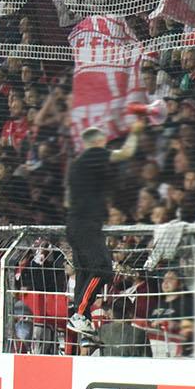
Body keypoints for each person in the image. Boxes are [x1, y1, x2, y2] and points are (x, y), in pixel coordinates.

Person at [65, 119, 143, 341]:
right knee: (103, 269)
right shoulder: (95, 154)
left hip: (73, 224)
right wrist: (135, 130)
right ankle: (80, 314)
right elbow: (126, 153)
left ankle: (82, 320)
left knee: (84, 274)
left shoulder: (77, 165)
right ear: (98, 141)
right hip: (87, 225)